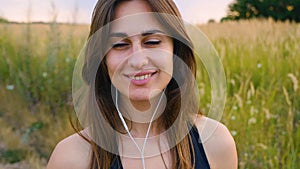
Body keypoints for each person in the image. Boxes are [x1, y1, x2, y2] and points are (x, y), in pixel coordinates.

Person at [47, 0, 238, 169]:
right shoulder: (71, 158)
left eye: (153, 41)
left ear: (175, 51)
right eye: (120, 45)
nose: (138, 61)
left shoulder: (215, 143)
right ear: (102, 59)